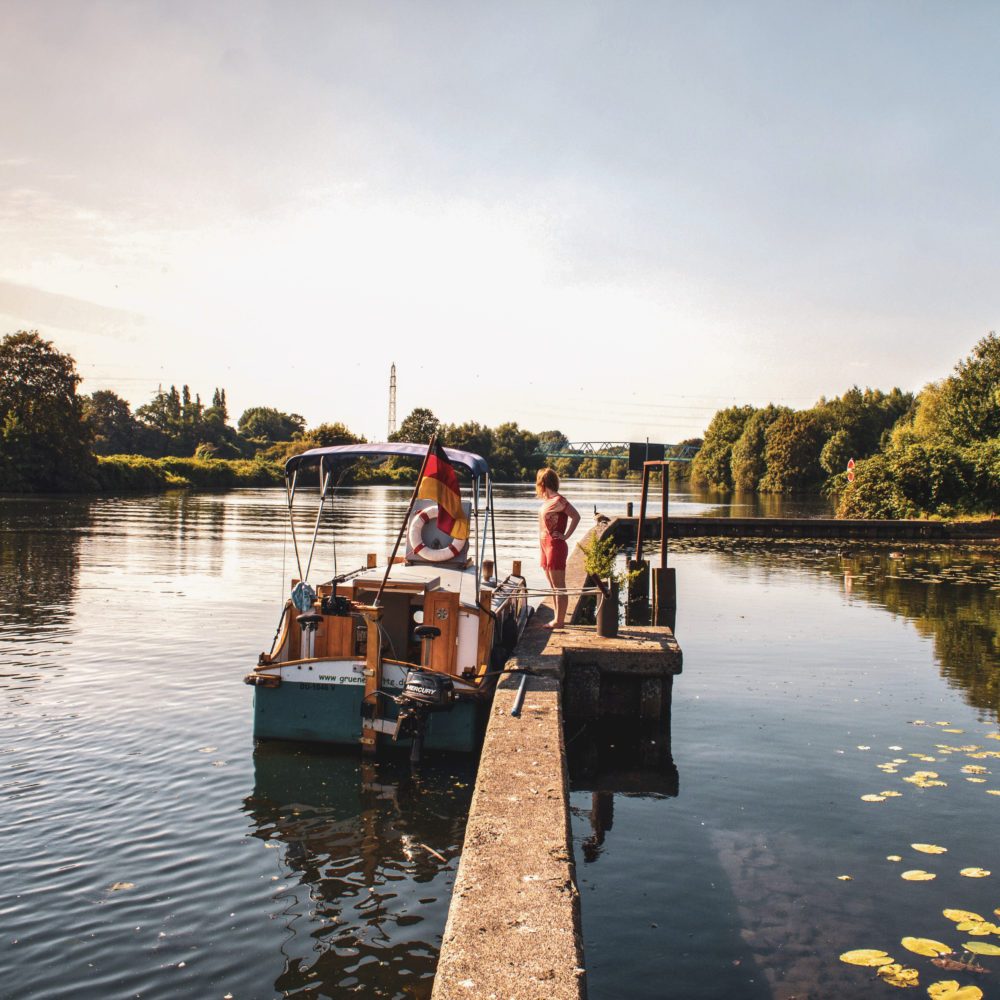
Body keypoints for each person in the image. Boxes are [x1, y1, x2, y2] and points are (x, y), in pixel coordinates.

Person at [536, 467, 580, 630]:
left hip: (555, 545)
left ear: (541, 483)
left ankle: (559, 621)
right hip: (544, 545)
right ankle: (556, 618)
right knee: (553, 585)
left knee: (559, 585)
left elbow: (576, 516)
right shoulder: (547, 502)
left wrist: (566, 535)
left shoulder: (559, 500)